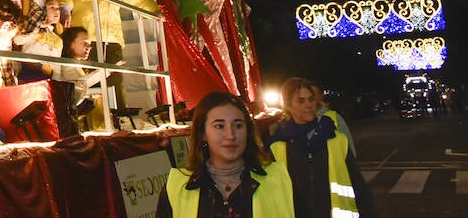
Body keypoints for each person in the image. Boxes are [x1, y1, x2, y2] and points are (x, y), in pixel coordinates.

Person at [156, 91, 295, 218]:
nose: (230, 135)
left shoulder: (279, 179)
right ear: (202, 133)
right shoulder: (177, 188)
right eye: (219, 126)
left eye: (238, 125)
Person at [269, 77, 376, 218]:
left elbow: (359, 186)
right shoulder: (277, 146)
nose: (309, 105)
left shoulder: (336, 139)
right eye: (301, 101)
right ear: (288, 105)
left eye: (311, 99)